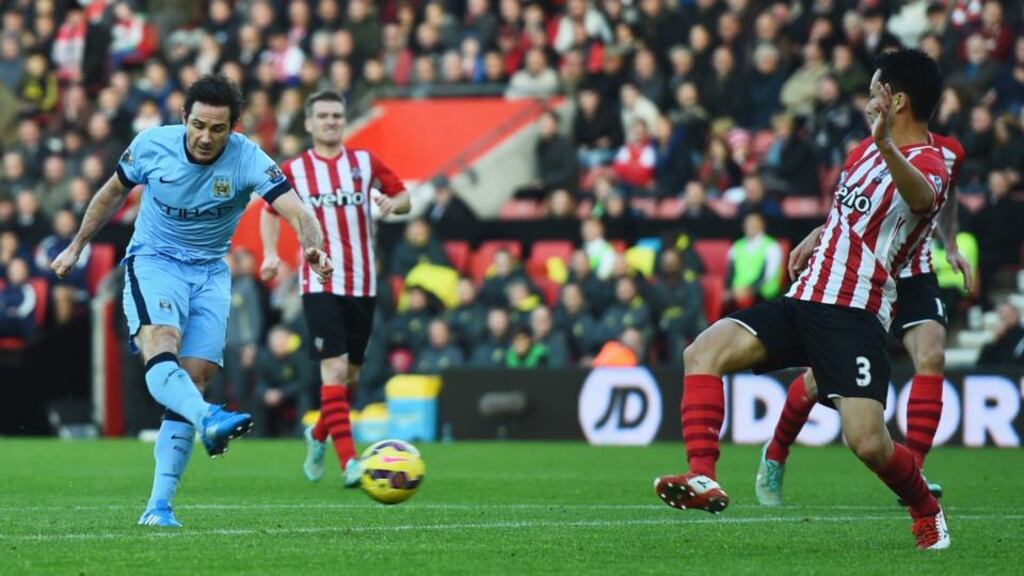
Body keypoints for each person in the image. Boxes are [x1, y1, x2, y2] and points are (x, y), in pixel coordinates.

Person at [654, 50, 952, 550]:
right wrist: (820, 232)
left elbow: (922, 201)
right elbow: (850, 211)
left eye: (874, 89)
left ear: (897, 101)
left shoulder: (929, 160)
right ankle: (702, 474)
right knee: (702, 352)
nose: (866, 100)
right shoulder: (862, 152)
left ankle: (926, 509)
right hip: (804, 298)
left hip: (854, 315)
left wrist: (886, 147)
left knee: (867, 442)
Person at [51, 74, 332, 528]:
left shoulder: (249, 159)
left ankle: (158, 507)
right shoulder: (150, 146)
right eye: (198, 125)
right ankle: (208, 419)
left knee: (195, 378)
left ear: (233, 128)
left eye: (217, 129)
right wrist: (77, 245)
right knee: (161, 340)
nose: (205, 137)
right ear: (184, 117)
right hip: (154, 261)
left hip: (210, 273)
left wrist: (314, 248)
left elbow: (297, 210)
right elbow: (111, 194)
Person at [756, 130, 968, 508]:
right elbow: (851, 206)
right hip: (863, 277)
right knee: (817, 380)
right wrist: (820, 231)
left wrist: (950, 243)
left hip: (914, 273)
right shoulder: (869, 146)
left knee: (932, 355)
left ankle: (914, 469)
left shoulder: (949, 153)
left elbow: (947, 196)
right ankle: (776, 451)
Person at [259, 89, 411, 489]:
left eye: (336, 115)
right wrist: (271, 254)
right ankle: (350, 464)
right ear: (308, 123)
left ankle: (318, 434)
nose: (330, 121)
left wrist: (395, 206)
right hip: (319, 281)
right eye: (323, 115)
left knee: (350, 381)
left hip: (363, 283)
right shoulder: (294, 169)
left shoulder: (364, 162)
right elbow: (269, 210)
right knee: (336, 369)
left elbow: (404, 195)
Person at [254, 325, 311, 437]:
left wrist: (282, 393)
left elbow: (305, 381)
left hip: (292, 394)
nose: (279, 343)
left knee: (305, 396)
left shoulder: (300, 356)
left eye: (282, 339)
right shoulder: (263, 357)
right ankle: (258, 435)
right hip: (273, 394)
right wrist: (266, 393)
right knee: (257, 396)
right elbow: (260, 381)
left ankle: (301, 434)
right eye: (275, 340)